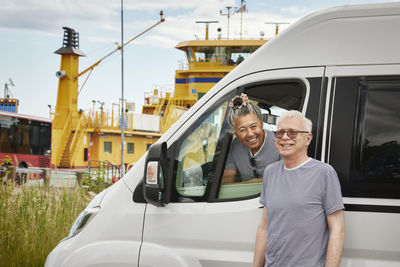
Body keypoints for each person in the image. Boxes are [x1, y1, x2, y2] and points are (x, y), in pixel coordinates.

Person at [253, 110, 345, 267]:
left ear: (308, 138)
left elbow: (338, 230)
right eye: (280, 132)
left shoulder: (324, 173)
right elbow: (264, 226)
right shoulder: (270, 172)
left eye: (293, 132)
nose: (285, 137)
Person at [222, 93, 280, 184]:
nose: (250, 134)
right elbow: (226, 182)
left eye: (253, 126)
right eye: (242, 130)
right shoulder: (235, 146)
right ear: (235, 132)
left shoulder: (279, 145)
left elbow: (283, 181)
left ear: (261, 124)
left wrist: (247, 184)